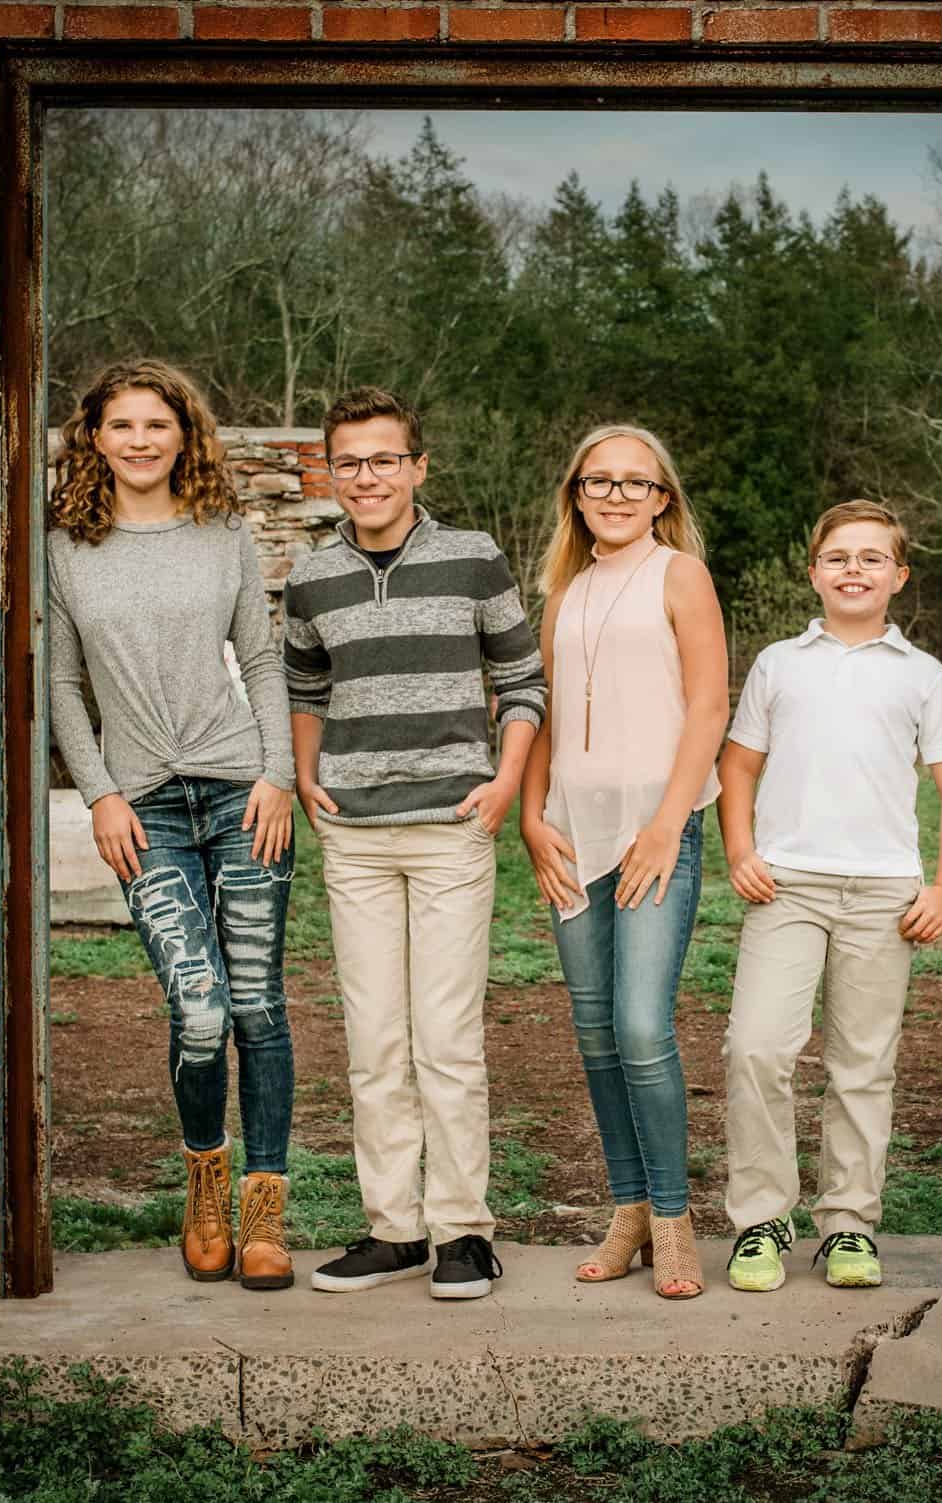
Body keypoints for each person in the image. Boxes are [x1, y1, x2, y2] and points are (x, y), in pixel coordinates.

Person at [283, 386, 547, 1300]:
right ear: (330, 471)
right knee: (373, 1041)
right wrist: (309, 778)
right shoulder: (312, 576)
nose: (367, 475)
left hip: (449, 828)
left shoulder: (473, 559)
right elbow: (305, 690)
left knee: (446, 1038)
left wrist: (506, 782)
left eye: (384, 458)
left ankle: (464, 1232)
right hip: (353, 833)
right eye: (349, 461)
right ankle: (393, 1228)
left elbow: (522, 680)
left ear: (418, 466)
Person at [47, 358, 298, 1291]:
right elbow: (64, 683)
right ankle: (205, 1184)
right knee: (199, 1010)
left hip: (241, 795)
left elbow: (263, 663)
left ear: (183, 435)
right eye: (123, 426)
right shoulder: (68, 545)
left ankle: (265, 1214)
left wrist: (277, 774)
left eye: (158, 424)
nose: (141, 440)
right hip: (144, 806)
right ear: (97, 438)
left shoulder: (223, 532)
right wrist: (101, 792)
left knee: (258, 1005)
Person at [716, 500, 942, 1292]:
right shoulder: (778, 663)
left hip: (883, 894)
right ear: (814, 571)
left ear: (900, 575)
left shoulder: (922, 676)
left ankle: (848, 1226)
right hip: (786, 885)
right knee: (756, 1046)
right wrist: (740, 849)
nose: (854, 569)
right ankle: (762, 1218)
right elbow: (737, 766)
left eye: (871, 557)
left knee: (862, 1063)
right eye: (838, 556)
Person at [519, 425, 727, 1300]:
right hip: (574, 834)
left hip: (656, 833)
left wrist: (665, 824)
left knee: (644, 1029)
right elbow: (545, 712)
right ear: (574, 493)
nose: (613, 495)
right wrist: (532, 816)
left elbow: (711, 702)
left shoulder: (679, 576)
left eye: (632, 483)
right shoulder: (561, 594)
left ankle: (675, 1218)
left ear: (661, 498)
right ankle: (629, 1206)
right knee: (598, 1036)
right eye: (597, 481)